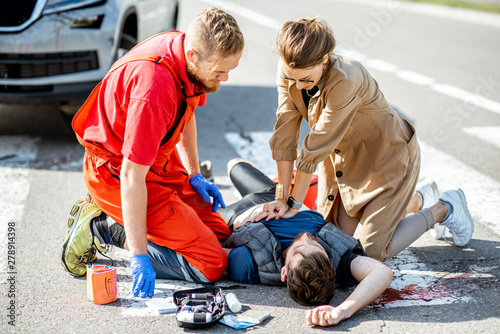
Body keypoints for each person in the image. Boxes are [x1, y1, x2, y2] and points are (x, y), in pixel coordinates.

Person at [60, 8, 244, 298]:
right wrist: (139, 257)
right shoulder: (153, 90)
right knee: (212, 262)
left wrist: (194, 174)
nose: (226, 78)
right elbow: (132, 177)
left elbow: (187, 108)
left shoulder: (184, 52)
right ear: (193, 54)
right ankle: (103, 227)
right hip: (115, 173)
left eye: (230, 70)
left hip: (155, 159)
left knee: (222, 235)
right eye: (220, 72)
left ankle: (146, 230)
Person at [255, 17, 474, 261]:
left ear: (324, 59)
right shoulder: (289, 67)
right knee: (335, 241)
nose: (297, 86)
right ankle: (419, 198)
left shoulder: (345, 79)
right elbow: (284, 134)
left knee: (369, 253)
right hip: (343, 160)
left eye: (305, 79)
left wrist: (293, 205)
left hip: (386, 157)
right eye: (290, 78)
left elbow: (313, 149)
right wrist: (280, 198)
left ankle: (445, 208)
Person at [219, 159, 393, 327]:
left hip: (237, 212)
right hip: (277, 196)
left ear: (284, 272)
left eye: (298, 250)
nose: (305, 237)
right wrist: (344, 310)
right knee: (234, 163)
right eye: (317, 246)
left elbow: (212, 253)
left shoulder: (249, 264)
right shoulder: (339, 261)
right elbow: (382, 271)